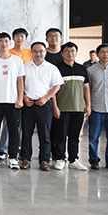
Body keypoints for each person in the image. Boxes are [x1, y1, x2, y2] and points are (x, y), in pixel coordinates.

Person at [0, 32, 25, 169]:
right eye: (1, 41)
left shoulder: (17, 61)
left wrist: (20, 99)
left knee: (14, 131)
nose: (4, 44)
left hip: (12, 101)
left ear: (10, 43)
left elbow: (20, 81)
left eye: (6, 41)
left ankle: (13, 158)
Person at [21, 42, 63, 171]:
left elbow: (57, 85)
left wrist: (46, 97)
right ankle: (25, 159)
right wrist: (23, 97)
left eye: (41, 51)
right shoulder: (25, 67)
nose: (38, 54)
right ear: (31, 52)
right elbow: (19, 84)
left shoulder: (51, 68)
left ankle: (44, 160)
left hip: (44, 104)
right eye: (35, 51)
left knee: (45, 134)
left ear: (45, 52)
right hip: (28, 104)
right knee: (26, 133)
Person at [52, 42, 91, 171]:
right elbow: (53, 90)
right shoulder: (56, 69)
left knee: (74, 136)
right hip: (62, 108)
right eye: (67, 51)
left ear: (76, 53)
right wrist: (55, 107)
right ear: (62, 53)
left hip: (78, 108)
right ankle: (59, 158)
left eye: (73, 51)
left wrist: (88, 105)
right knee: (60, 135)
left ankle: (73, 159)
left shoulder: (82, 69)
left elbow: (86, 88)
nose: (70, 53)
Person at [87, 43, 108, 171]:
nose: (106, 54)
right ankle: (94, 160)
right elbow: (88, 89)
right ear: (97, 54)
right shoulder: (90, 70)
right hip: (96, 107)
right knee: (93, 137)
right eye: (103, 52)